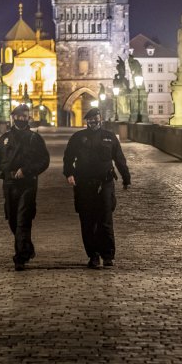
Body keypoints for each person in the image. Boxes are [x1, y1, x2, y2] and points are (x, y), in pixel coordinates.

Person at [63, 108, 131, 269]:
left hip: (105, 183)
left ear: (101, 119)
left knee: (105, 219)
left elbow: (119, 159)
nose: (94, 122)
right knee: (87, 220)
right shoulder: (78, 138)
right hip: (84, 184)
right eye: (91, 119)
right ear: (87, 121)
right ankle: (93, 255)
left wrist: (126, 178)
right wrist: (69, 174)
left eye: (97, 119)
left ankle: (108, 255)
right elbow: (68, 158)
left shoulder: (109, 137)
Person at [0, 104, 50, 271]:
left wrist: (27, 171)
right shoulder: (4, 139)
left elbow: (44, 161)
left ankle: (20, 257)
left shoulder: (34, 138)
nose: (22, 119)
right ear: (13, 117)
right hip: (9, 183)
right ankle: (26, 247)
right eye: (19, 116)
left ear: (28, 118)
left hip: (27, 184)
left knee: (23, 219)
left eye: (25, 116)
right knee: (13, 221)